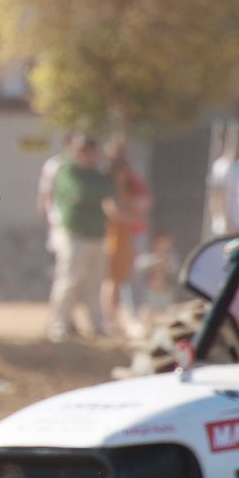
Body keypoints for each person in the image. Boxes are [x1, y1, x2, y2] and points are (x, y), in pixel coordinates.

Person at [47, 134, 117, 342]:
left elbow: (111, 190)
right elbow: (80, 194)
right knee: (69, 280)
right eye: (81, 150)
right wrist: (99, 190)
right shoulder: (67, 171)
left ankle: (96, 324)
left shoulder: (97, 174)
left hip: (96, 233)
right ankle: (59, 324)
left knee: (94, 283)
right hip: (74, 233)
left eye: (89, 150)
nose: (85, 155)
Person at [105, 137, 150, 334]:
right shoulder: (107, 185)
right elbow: (111, 210)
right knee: (112, 280)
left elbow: (146, 201)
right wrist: (131, 216)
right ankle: (110, 318)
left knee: (132, 278)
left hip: (133, 236)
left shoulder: (133, 183)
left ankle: (131, 316)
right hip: (114, 238)